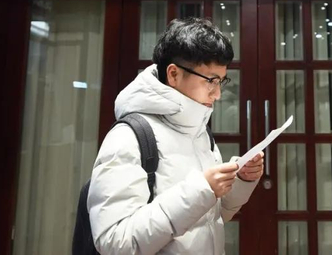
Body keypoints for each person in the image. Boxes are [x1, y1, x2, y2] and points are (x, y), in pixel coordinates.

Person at [87, 18, 263, 254]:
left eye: (221, 81)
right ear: (173, 74)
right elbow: (115, 242)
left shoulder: (200, 132)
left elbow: (211, 220)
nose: (218, 94)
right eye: (211, 81)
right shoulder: (129, 137)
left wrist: (240, 180)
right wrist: (201, 190)